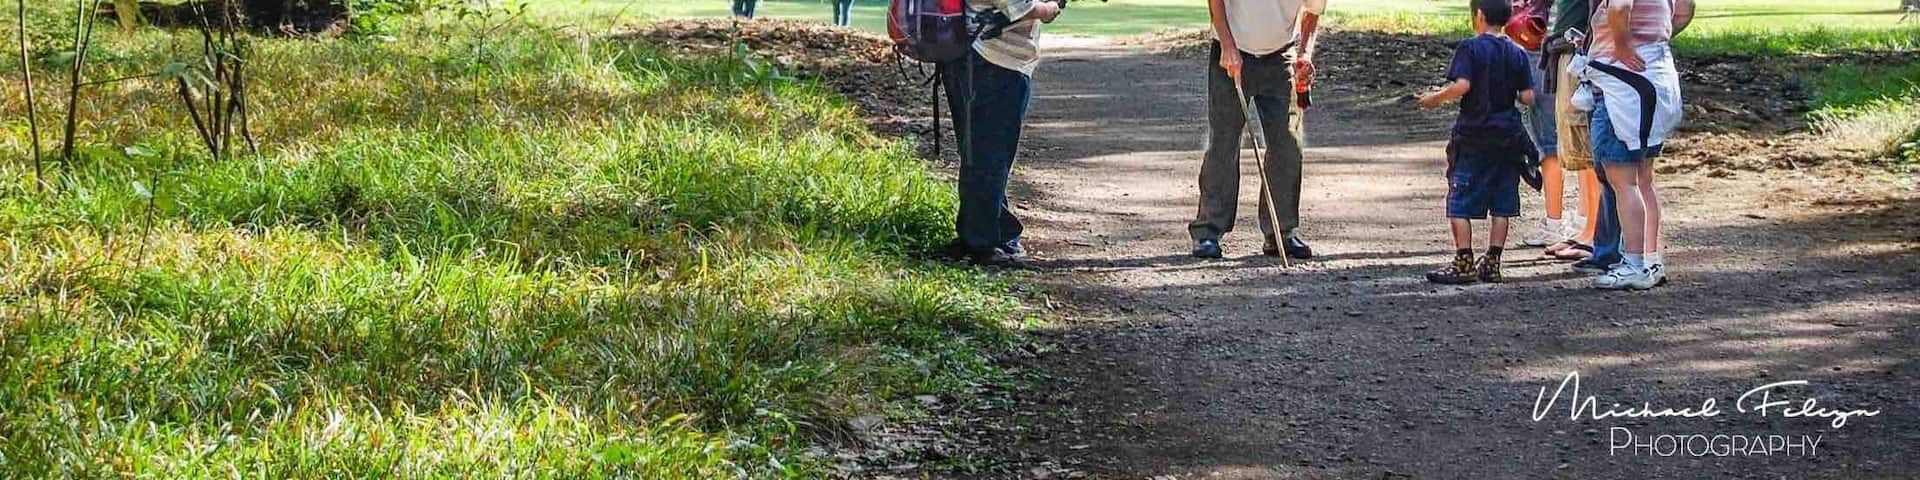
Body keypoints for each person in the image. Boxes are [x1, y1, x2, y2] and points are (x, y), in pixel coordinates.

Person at [1189, 0, 1325, 260]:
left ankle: (1281, 233)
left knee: (1288, 142)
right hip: (1232, 51)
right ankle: (1208, 230)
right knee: (1224, 141)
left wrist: (1304, 55)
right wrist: (1227, 47)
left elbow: (1313, 12)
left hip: (1280, 58)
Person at [1416, 0, 1537, 284]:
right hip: (1508, 136)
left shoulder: (1470, 48)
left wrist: (1435, 98)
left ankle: (1464, 260)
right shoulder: (1517, 53)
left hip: (1473, 134)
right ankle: (1493, 261)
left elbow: (1463, 86)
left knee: (1459, 199)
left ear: (1479, 16)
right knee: (1502, 201)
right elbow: (1528, 97)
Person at [941, 0, 1063, 267]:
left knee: (980, 152)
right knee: (989, 155)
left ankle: (995, 234)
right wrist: (1049, 8)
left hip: (969, 53)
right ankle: (981, 243)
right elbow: (1022, 6)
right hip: (994, 59)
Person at [1580, 0, 1689, 289]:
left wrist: (1623, 46)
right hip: (1656, 75)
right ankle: (1650, 259)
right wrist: (1652, 41)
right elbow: (1684, 10)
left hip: (1623, 86)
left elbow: (1619, 7)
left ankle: (1634, 263)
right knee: (1643, 180)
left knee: (1623, 180)